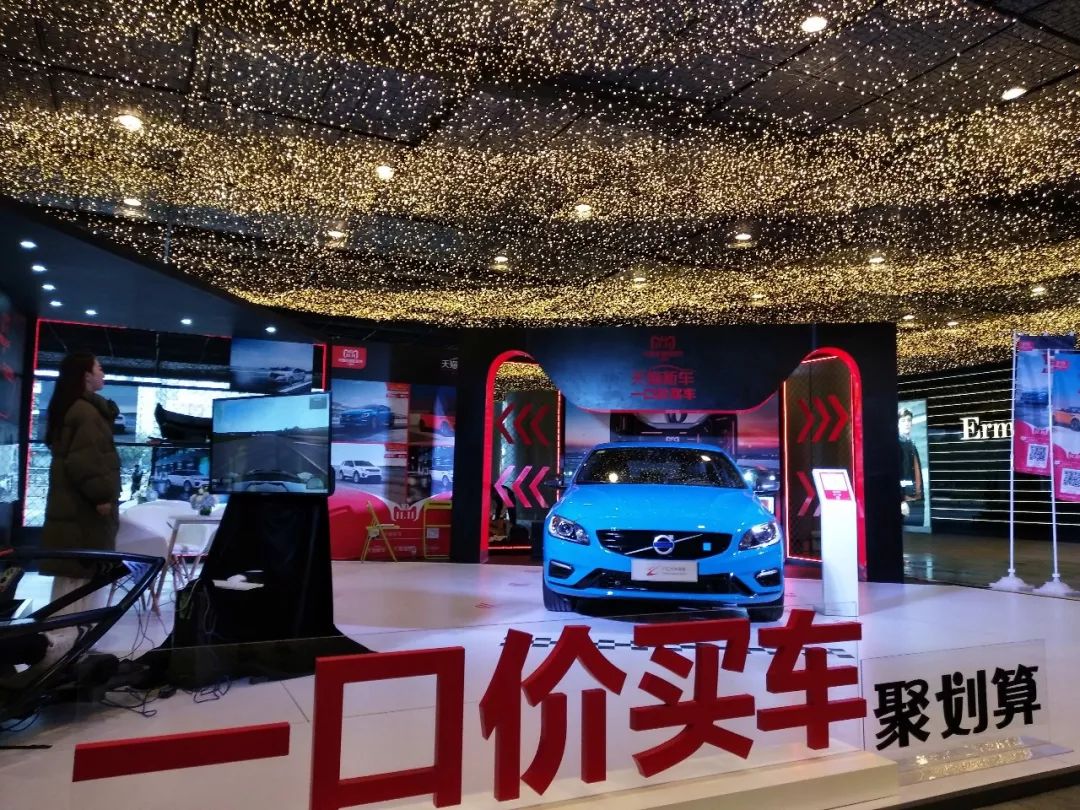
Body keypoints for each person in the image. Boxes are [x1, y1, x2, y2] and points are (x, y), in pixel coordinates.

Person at [40, 352, 121, 615]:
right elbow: (85, 461)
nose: (103, 373)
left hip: (72, 511)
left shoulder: (71, 407)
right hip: (83, 514)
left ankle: (66, 635)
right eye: (99, 368)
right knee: (78, 580)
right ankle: (68, 637)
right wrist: (102, 496)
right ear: (86, 375)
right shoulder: (86, 412)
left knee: (72, 578)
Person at [898, 408, 925, 526]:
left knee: (918, 533)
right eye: (903, 421)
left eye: (909, 420)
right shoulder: (897, 445)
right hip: (906, 501)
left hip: (917, 499)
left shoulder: (911, 443)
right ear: (897, 424)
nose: (907, 423)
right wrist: (901, 501)